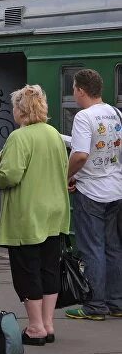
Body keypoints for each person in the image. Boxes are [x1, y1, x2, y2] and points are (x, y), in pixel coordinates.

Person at [0, 84, 70, 345]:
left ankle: (35, 328)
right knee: (49, 269)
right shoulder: (54, 134)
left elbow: (10, 175)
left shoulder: (19, 137)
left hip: (27, 214)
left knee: (27, 270)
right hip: (55, 212)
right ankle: (48, 324)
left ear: (20, 110)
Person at [65, 69, 122, 321]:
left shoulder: (83, 117)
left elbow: (79, 155)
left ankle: (95, 306)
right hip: (115, 190)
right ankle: (116, 302)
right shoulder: (115, 113)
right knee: (113, 247)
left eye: (74, 89)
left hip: (91, 192)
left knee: (92, 248)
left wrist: (67, 176)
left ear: (80, 90)